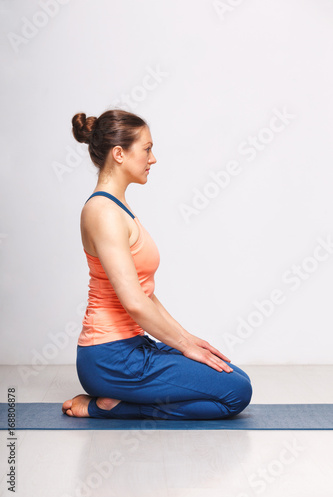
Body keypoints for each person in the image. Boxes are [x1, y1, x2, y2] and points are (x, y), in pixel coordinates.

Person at [62, 109, 252, 420]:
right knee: (236, 394)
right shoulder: (103, 212)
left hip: (134, 346)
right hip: (110, 357)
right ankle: (108, 406)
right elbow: (134, 303)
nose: (153, 159)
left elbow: (145, 294)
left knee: (236, 380)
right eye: (147, 149)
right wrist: (182, 346)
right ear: (119, 154)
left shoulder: (119, 209)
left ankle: (116, 401)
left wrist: (187, 339)